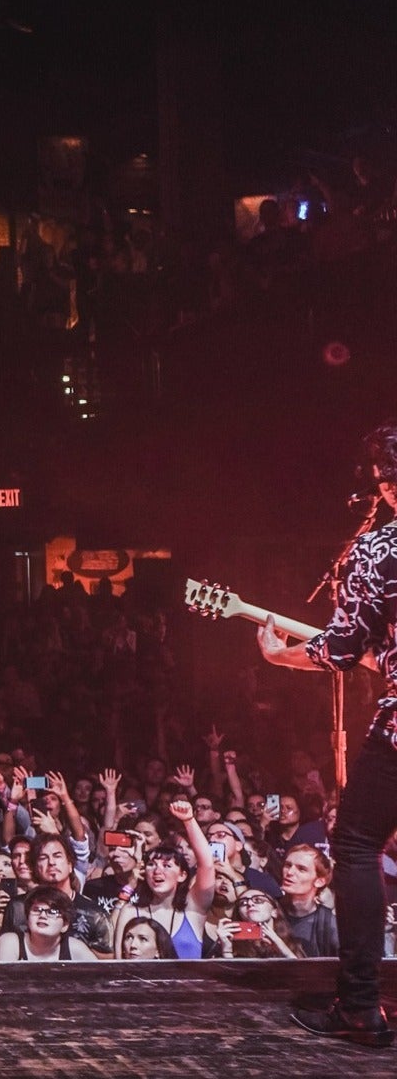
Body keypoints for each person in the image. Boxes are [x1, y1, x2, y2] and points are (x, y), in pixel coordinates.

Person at [257, 417, 397, 1047]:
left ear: (386, 483)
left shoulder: (379, 550)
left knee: (359, 843)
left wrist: (279, 656)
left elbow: (343, 648)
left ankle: (361, 1006)